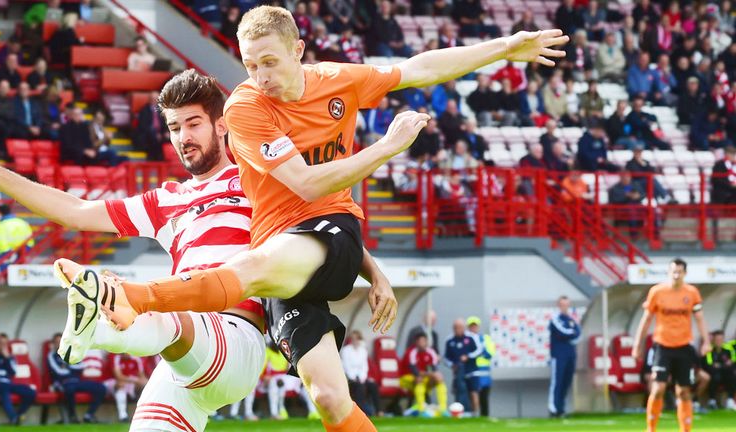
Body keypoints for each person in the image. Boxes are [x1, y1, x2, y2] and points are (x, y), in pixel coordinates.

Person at [47, 7, 567, 431]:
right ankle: (127, 303)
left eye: (269, 63)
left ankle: (130, 297)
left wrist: (505, 47)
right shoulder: (246, 108)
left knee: (250, 269)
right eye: (250, 65)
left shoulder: (338, 81)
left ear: (298, 51)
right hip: (284, 254)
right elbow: (306, 182)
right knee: (329, 397)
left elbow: (419, 68)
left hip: (329, 229)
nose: (260, 77)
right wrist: (386, 149)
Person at [0, 70, 393, 432]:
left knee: (160, 310)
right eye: (174, 128)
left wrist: (375, 275)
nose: (183, 137)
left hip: (235, 339)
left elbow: (322, 225)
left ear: (221, 125)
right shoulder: (166, 200)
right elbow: (77, 211)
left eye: (193, 124)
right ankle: (106, 315)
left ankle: (102, 322)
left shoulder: (261, 180)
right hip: (179, 360)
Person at [631, 258, 712, 432]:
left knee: (683, 391)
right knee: (658, 387)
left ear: (685, 273)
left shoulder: (692, 293)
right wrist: (637, 345)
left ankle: (685, 429)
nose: (676, 275)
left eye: (679, 272)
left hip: (684, 347)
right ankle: (650, 429)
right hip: (662, 346)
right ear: (669, 272)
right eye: (673, 271)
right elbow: (646, 319)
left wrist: (706, 341)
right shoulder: (657, 292)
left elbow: (699, 318)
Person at [46, 333, 106, 423]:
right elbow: (58, 372)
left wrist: (67, 366)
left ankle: (89, 415)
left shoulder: (71, 353)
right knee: (69, 389)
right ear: (53, 344)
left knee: (100, 388)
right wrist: (71, 366)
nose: (59, 344)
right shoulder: (51, 355)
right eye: (57, 342)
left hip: (77, 381)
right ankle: (72, 416)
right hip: (62, 383)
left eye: (61, 341)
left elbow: (82, 366)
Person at [0, 333, 37, 425]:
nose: (2, 346)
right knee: (4, 393)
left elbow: (13, 372)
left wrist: (7, 358)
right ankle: (13, 418)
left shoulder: (10, 357)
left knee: (31, 392)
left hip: (8, 383)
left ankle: (19, 415)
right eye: (0, 343)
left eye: (4, 344)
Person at [548, 295, 580, 418]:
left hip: (570, 354)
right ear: (559, 305)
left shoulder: (571, 319)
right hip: (559, 355)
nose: (565, 307)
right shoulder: (555, 319)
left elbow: (578, 333)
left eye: (567, 305)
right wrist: (572, 333)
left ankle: (561, 408)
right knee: (557, 382)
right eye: (563, 305)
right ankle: (553, 408)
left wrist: (572, 333)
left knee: (566, 382)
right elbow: (563, 332)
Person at [401, 333, 448, 416]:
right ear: (416, 342)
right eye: (420, 341)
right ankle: (421, 409)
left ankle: (443, 409)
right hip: (406, 378)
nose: (422, 343)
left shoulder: (431, 352)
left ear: (426, 342)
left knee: (439, 381)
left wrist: (436, 376)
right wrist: (431, 375)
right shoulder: (411, 352)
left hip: (424, 377)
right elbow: (415, 371)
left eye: (423, 341)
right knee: (419, 381)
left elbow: (434, 369)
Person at [340, 330, 381, 417]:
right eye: (353, 339)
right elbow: (346, 367)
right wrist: (355, 378)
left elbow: (364, 367)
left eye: (357, 338)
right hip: (350, 379)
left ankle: (378, 411)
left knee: (373, 385)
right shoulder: (346, 350)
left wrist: (362, 378)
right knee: (360, 387)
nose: (355, 341)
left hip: (362, 377)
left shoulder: (363, 351)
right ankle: (360, 412)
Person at [466, 316, 495, 417]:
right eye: (471, 326)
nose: (473, 328)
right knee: (472, 396)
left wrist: (480, 351)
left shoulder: (485, 338)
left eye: (475, 326)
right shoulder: (466, 339)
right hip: (471, 372)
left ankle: (484, 416)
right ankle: (472, 415)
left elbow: (490, 353)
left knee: (484, 397)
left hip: (484, 374)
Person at [107, 353, 148, 422]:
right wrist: (136, 381)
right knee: (121, 386)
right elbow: (119, 377)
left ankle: (145, 414)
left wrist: (145, 383)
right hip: (113, 382)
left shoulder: (136, 358)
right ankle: (123, 416)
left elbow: (142, 376)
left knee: (145, 385)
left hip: (131, 383)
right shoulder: (116, 357)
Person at [0, 203, 35, 272]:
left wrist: (8, 253)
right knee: (19, 271)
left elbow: (1, 241)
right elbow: (30, 238)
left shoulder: (1, 224)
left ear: (0, 213)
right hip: (23, 250)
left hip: (9, 253)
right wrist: (27, 248)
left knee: (8, 273)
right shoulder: (22, 222)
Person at [702, 330, 736, 410]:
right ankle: (712, 401)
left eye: (721, 339)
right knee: (715, 377)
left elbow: (732, 362)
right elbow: (710, 365)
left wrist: (720, 365)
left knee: (731, 376)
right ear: (714, 340)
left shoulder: (728, 349)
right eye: (717, 339)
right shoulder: (710, 350)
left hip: (726, 373)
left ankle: (730, 400)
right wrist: (724, 365)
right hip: (714, 374)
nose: (719, 341)